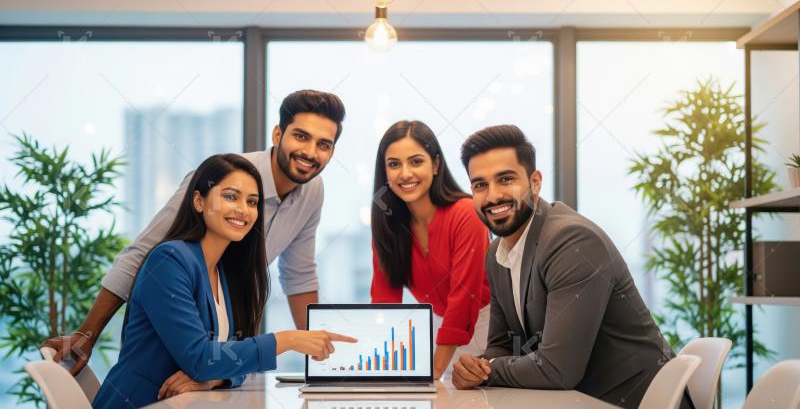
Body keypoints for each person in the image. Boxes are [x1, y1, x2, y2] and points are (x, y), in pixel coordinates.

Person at [42, 89, 346, 376]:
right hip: (176, 321)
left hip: (224, 327)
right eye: (301, 136)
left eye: (323, 144)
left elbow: (299, 274)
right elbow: (142, 255)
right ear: (278, 134)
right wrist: (87, 334)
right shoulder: (225, 178)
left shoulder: (312, 192)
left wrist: (318, 355)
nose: (309, 152)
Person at [452, 125, 692, 409]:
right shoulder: (497, 254)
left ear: (535, 182)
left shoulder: (572, 242)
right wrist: (475, 367)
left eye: (505, 179)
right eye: (480, 185)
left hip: (630, 402)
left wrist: (488, 369)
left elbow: (557, 369)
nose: (492, 196)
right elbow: (503, 344)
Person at [92, 154, 356, 408]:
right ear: (198, 201)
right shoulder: (170, 261)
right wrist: (286, 340)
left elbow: (229, 358)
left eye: (252, 202)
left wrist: (215, 378)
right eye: (231, 197)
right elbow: (200, 358)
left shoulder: (223, 273)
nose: (243, 210)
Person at [370, 120, 490, 379]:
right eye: (394, 164)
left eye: (416, 161)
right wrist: (377, 367)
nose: (405, 174)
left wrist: (433, 372)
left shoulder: (466, 213)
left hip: (485, 326)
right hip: (439, 327)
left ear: (435, 165)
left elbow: (463, 298)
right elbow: (384, 300)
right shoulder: (387, 223)